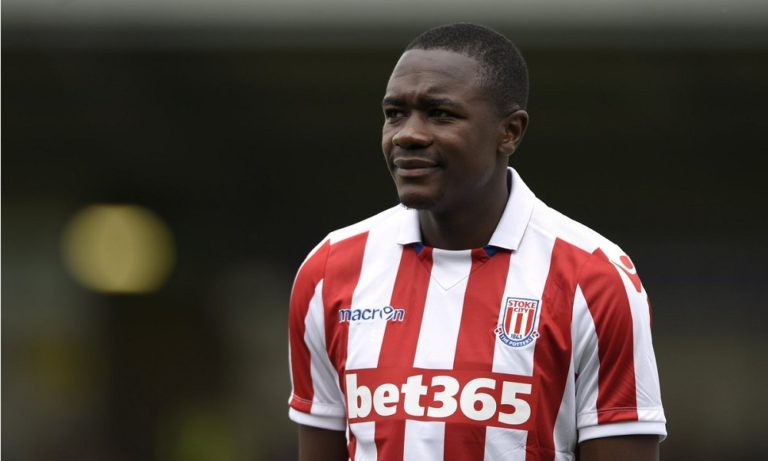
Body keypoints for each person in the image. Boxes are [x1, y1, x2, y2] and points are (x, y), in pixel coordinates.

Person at [287, 23, 666, 461]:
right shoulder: (330, 271)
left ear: (510, 132)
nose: (407, 134)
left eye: (440, 113)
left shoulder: (593, 279)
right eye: (394, 113)